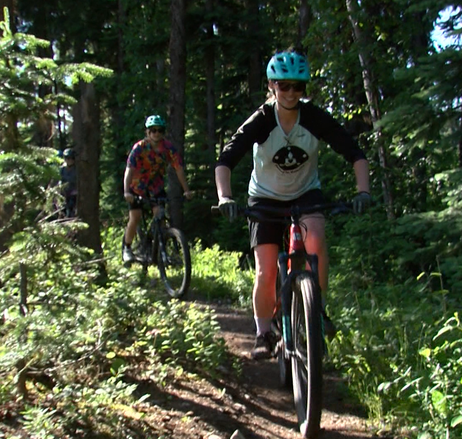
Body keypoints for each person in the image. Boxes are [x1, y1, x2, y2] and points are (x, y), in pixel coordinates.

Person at [214, 50, 371, 360]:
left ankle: (316, 311)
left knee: (316, 240)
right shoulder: (262, 120)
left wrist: (363, 191)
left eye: (297, 86)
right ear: (271, 86)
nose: (290, 92)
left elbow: (355, 153)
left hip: (305, 192)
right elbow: (226, 160)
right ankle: (263, 332)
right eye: (283, 85)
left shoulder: (313, 117)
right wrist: (225, 197)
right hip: (265, 197)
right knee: (266, 270)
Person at [123, 115, 193, 264]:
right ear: (147, 132)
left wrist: (186, 190)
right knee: (135, 216)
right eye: (153, 130)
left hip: (156, 186)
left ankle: (161, 251)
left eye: (159, 130)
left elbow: (179, 169)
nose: (156, 133)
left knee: (160, 215)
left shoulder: (168, 148)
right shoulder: (139, 148)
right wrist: (126, 192)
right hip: (137, 186)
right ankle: (127, 248)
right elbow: (129, 169)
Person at [60, 148, 78, 218]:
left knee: (71, 209)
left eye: (71, 158)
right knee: (62, 209)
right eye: (67, 158)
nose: (69, 160)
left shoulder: (77, 169)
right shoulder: (62, 169)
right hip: (63, 193)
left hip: (73, 193)